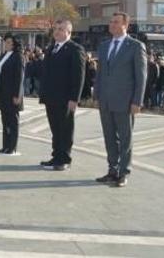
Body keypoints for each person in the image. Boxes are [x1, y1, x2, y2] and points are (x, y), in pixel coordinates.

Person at [94, 12, 147, 188]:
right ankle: (112, 170)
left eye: (116, 22)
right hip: (106, 100)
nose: (112, 24)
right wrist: (97, 96)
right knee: (109, 137)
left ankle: (123, 172)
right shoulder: (104, 46)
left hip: (125, 101)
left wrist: (137, 101)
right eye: (110, 21)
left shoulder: (135, 46)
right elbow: (100, 73)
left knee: (125, 138)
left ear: (126, 25)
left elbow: (141, 77)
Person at [38, 20, 86, 171]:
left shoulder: (75, 49)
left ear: (69, 32)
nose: (57, 32)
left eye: (61, 29)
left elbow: (78, 76)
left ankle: (65, 158)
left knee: (65, 129)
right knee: (55, 129)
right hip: (51, 96)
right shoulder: (51, 48)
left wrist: (74, 98)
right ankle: (56, 156)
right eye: (56, 29)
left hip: (65, 97)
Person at [0, 34, 25, 155]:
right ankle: (5, 146)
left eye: (8, 42)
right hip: (3, 93)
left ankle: (12, 147)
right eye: (5, 42)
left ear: (14, 44)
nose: (6, 44)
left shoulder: (18, 56)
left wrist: (18, 95)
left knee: (13, 121)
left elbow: (20, 77)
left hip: (13, 93)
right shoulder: (3, 55)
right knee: (5, 121)